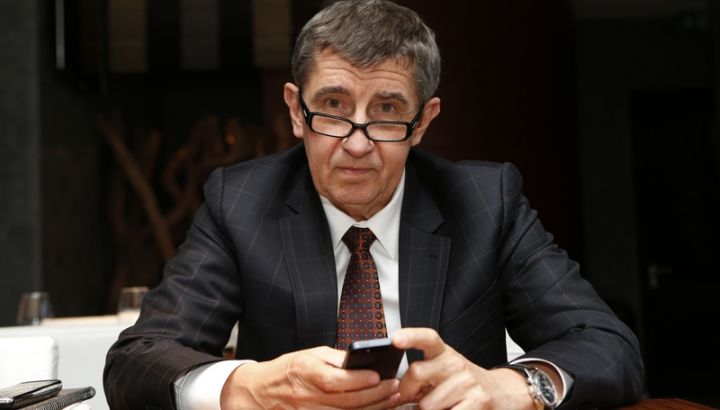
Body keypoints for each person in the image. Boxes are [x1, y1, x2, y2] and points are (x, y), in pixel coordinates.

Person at [104, 1, 645, 408]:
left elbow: (607, 345)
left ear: (423, 121)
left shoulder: (485, 203)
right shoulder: (242, 202)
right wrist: (250, 386)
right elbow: (137, 359)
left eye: (386, 111)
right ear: (295, 111)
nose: (357, 143)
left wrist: (511, 387)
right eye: (333, 106)